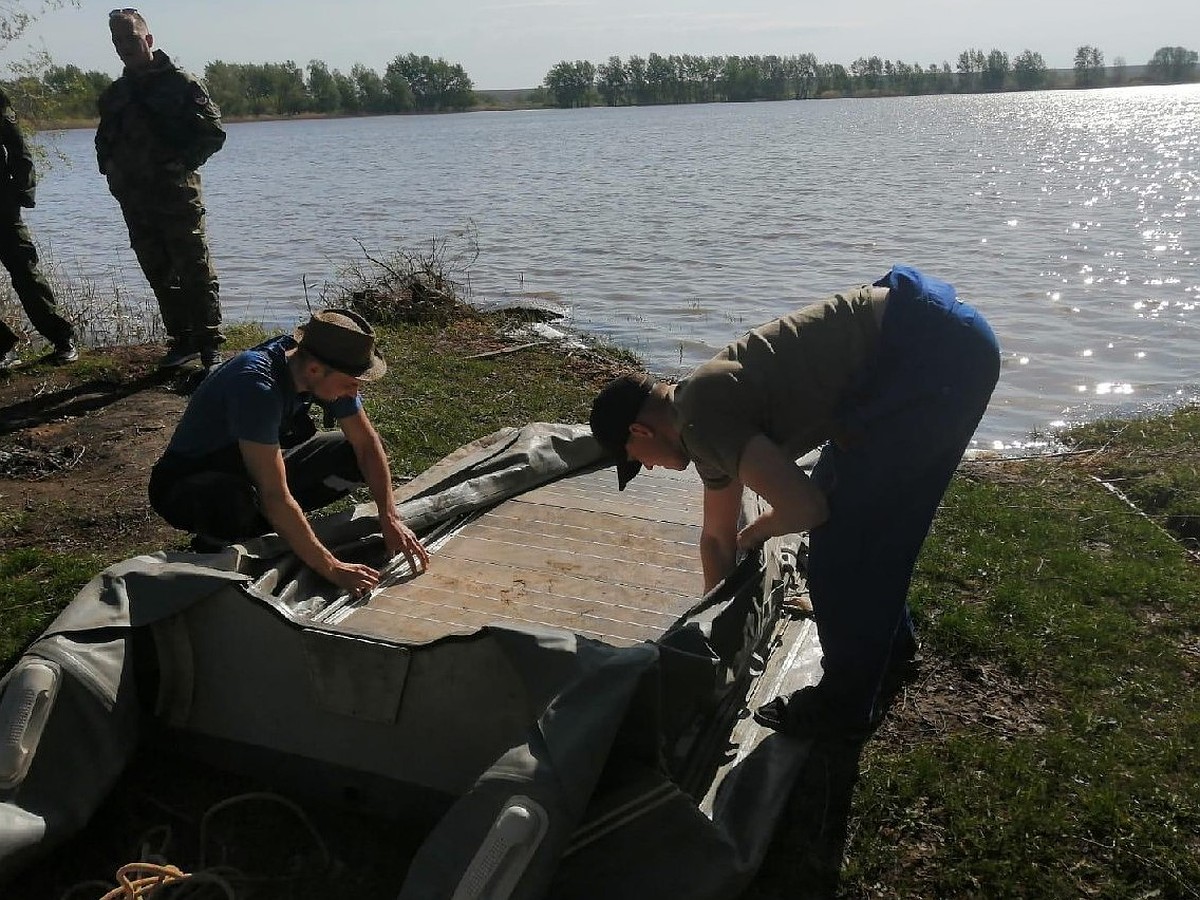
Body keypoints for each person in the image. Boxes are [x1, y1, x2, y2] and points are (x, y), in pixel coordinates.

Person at [589, 265, 1000, 740]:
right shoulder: (695, 419)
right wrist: (712, 632)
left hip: (932, 353)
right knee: (863, 519)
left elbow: (807, 510)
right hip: (925, 344)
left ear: (639, 432)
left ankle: (843, 707)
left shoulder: (703, 421)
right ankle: (890, 647)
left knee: (844, 545)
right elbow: (717, 538)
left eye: (637, 460)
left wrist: (759, 531)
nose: (652, 468)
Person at [148, 309, 429, 594]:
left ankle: (276, 528)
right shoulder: (257, 386)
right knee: (236, 502)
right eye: (351, 384)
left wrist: (389, 516)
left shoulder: (317, 367)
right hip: (189, 483)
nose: (354, 394)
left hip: (252, 463)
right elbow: (275, 495)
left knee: (353, 459)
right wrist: (332, 568)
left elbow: (366, 446)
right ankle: (220, 539)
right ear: (314, 370)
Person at [96, 9, 226, 371]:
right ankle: (182, 340)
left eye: (131, 39)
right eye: (118, 41)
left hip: (177, 197)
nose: (125, 47)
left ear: (148, 40)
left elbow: (213, 134)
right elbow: (103, 141)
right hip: (136, 201)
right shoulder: (115, 95)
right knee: (159, 272)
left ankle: (209, 344)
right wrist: (111, 172)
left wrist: (181, 163)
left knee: (195, 269)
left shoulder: (182, 83)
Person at [0, 85, 78, 369]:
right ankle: (3, 347)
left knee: (25, 273)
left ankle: (63, 339)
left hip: (2, 210)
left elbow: (20, 152)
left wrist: (20, 195)